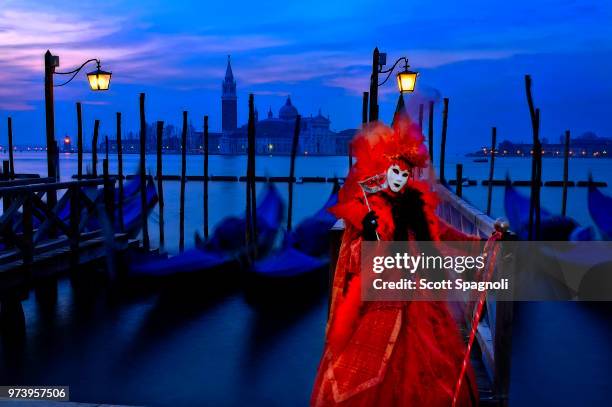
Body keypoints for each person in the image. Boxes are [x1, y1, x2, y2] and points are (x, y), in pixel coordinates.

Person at [311, 116, 478, 407]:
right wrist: (370, 233)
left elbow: (441, 232)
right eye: (395, 172)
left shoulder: (416, 203)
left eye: (405, 174)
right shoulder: (367, 207)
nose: (399, 179)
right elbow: (352, 256)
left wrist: (483, 242)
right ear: (385, 169)